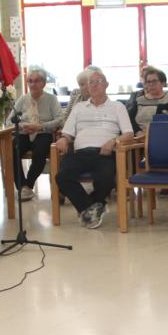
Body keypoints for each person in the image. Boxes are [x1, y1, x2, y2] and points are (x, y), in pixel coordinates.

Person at [55, 67, 134, 229]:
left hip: (105, 152)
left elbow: (129, 134)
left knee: (106, 177)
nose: (93, 85)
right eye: (90, 83)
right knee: (62, 177)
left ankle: (90, 207)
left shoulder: (118, 107)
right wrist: (63, 139)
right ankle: (93, 206)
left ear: (106, 84)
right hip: (81, 152)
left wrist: (113, 141)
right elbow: (67, 133)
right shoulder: (79, 108)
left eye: (98, 81)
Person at [10, 67, 64, 201]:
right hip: (24, 133)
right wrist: (24, 126)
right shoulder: (22, 99)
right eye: (30, 81)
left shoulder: (51, 99)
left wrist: (40, 126)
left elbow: (59, 119)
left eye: (37, 81)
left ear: (44, 83)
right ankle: (22, 186)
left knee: (39, 152)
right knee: (12, 151)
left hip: (43, 132)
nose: (33, 84)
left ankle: (28, 185)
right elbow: (9, 121)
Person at [126, 65, 168, 132]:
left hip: (165, 134)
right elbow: (130, 121)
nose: (151, 84)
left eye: (154, 81)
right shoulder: (139, 100)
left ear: (163, 83)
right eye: (148, 82)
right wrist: (138, 132)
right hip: (140, 138)